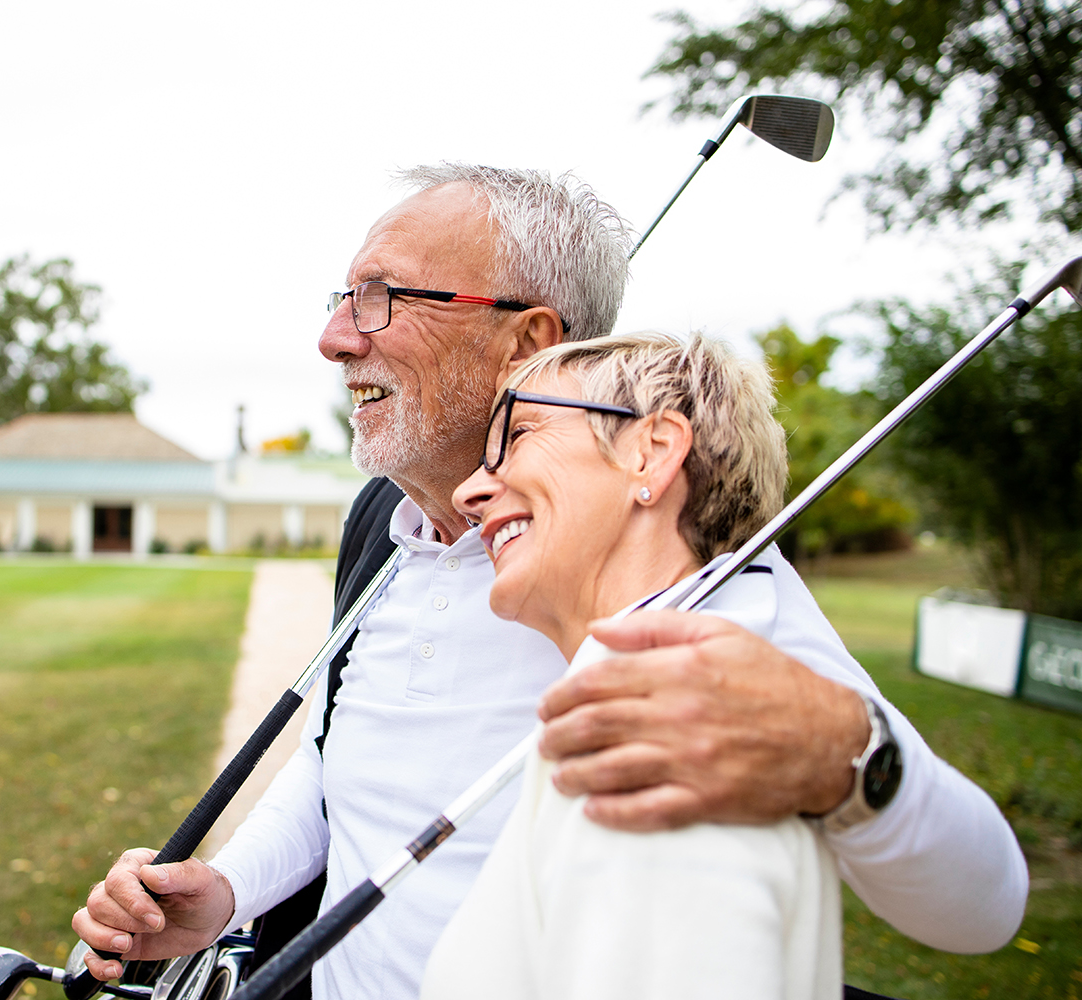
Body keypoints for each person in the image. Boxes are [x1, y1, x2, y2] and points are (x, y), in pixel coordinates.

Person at [72, 164, 1026, 999]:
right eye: (339, 297)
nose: (334, 338)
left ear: (529, 342)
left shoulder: (701, 594)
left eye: (379, 298)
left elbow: (984, 901)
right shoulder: (378, 520)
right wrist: (232, 889)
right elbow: (342, 755)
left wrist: (843, 751)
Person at [427, 332, 845, 999]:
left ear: (650, 453)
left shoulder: (671, 752)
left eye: (519, 434)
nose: (470, 491)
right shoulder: (642, 706)